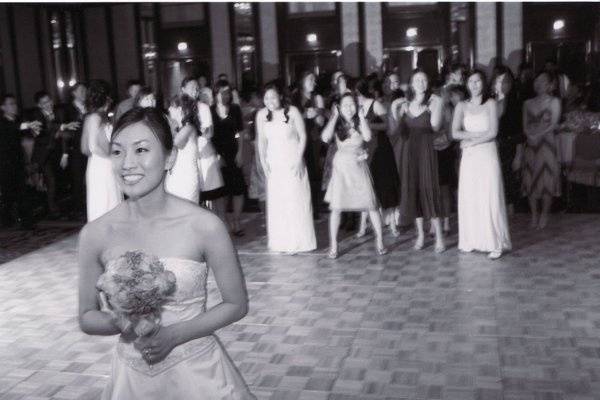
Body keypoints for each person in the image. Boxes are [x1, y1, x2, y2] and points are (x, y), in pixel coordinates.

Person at [78, 107, 256, 399]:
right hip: (131, 381)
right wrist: (122, 320)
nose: (127, 164)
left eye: (141, 150)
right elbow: (86, 315)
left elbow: (236, 304)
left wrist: (175, 335)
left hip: (199, 376)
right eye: (118, 152)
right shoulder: (95, 234)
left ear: (170, 156)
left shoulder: (205, 226)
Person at [452, 70, 512, 259]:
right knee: (470, 195)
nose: (474, 85)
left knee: (489, 195)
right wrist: (475, 137)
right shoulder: (461, 105)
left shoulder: (491, 103)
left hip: (487, 153)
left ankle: (495, 243)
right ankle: (471, 240)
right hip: (470, 156)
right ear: (466, 84)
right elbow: (455, 133)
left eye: (478, 81)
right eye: (471, 81)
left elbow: (493, 132)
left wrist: (471, 141)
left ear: (483, 83)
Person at [322, 93, 387, 259]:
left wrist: (362, 117)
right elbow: (325, 137)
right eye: (345, 105)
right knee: (336, 208)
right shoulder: (337, 123)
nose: (349, 108)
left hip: (358, 166)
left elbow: (367, 137)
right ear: (339, 107)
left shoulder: (360, 121)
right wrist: (334, 117)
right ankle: (334, 246)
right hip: (341, 168)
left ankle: (380, 241)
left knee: (371, 205)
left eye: (352, 105)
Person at [256, 82, 317, 253]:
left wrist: (299, 159)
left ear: (280, 96)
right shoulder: (261, 115)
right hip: (274, 163)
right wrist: (262, 161)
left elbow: (303, 136)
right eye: (266, 98)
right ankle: (281, 242)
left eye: (273, 97)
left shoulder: (293, 112)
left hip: (292, 161)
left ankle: (298, 242)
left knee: (295, 200)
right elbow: (261, 140)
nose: (269, 101)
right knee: (279, 202)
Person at [395, 69, 445, 253]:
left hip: (426, 151)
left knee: (429, 190)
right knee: (413, 191)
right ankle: (421, 236)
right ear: (411, 83)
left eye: (424, 79)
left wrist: (436, 106)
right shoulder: (405, 104)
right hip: (409, 152)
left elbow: (436, 126)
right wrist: (397, 111)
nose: (421, 82)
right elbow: (400, 132)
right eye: (417, 79)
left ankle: (439, 236)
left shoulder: (435, 101)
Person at [355, 79, 400, 237]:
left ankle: (393, 225)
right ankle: (362, 226)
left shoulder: (375, 105)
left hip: (380, 149)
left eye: (356, 95)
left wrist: (367, 124)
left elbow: (386, 126)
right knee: (366, 187)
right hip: (365, 149)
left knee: (385, 185)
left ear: (360, 93)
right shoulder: (355, 108)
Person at [522, 71, 562, 229]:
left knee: (546, 181)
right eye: (536, 81)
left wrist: (538, 134)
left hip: (547, 144)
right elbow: (524, 125)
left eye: (543, 81)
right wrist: (530, 135)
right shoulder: (527, 103)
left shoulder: (554, 101)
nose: (538, 84)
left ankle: (544, 214)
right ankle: (534, 215)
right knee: (530, 180)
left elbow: (554, 123)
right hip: (531, 144)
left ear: (550, 85)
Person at [181, 77, 226, 216]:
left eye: (197, 88)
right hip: (186, 156)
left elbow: (209, 132)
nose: (195, 90)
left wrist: (198, 131)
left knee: (213, 194)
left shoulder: (204, 107)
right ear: (183, 89)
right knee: (192, 195)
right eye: (191, 87)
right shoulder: (178, 108)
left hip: (204, 154)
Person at [81, 80, 122, 222]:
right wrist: (111, 159)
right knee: (103, 201)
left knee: (112, 198)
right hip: (101, 165)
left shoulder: (102, 117)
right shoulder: (94, 118)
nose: (111, 100)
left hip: (103, 163)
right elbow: (91, 147)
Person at [29, 91, 73, 219]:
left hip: (57, 153)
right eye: (44, 102)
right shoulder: (36, 115)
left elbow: (65, 135)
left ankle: (51, 206)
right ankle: (53, 211)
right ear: (39, 105)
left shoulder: (59, 112)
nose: (48, 104)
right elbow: (46, 128)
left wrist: (65, 154)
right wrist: (60, 128)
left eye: (49, 101)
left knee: (57, 181)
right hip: (43, 155)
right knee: (51, 181)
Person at [211, 80, 246, 236]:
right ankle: (224, 221)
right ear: (216, 93)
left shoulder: (235, 109)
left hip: (233, 151)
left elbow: (240, 133)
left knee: (238, 189)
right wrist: (216, 155)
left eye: (228, 92)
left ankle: (236, 221)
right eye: (222, 92)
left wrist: (240, 152)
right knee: (222, 191)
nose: (225, 95)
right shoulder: (210, 111)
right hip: (217, 153)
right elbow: (208, 137)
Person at [0, 94, 39, 229]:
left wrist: (32, 131)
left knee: (22, 192)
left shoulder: (17, 121)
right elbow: (13, 129)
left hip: (17, 163)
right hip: (5, 165)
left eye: (15, 104)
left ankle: (26, 222)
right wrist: (25, 126)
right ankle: (6, 221)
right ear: (3, 107)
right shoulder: (3, 123)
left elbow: (24, 138)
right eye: (10, 104)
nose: (14, 106)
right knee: (8, 195)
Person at [291, 71, 326, 220]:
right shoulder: (294, 97)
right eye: (310, 79)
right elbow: (290, 118)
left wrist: (318, 112)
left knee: (313, 173)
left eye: (314, 80)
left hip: (313, 139)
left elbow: (321, 122)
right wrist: (305, 115)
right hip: (296, 140)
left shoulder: (317, 98)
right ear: (302, 80)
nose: (314, 82)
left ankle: (314, 208)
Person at [492, 67, 524, 216]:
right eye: (499, 80)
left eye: (506, 81)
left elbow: (519, 131)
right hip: (491, 147)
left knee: (508, 182)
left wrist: (519, 154)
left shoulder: (515, 103)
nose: (502, 84)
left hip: (509, 147)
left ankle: (511, 219)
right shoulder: (488, 101)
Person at [164, 97, 200, 203]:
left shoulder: (188, 128)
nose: (169, 109)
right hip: (177, 175)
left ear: (180, 110)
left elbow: (176, 143)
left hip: (186, 177)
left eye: (172, 107)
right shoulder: (180, 128)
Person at [62, 82, 88, 219]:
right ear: (74, 93)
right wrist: (65, 153)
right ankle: (79, 209)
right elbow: (64, 133)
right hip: (75, 149)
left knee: (88, 178)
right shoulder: (67, 109)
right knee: (77, 179)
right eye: (81, 90)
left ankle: (88, 204)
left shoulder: (89, 107)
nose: (84, 93)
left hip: (88, 148)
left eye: (85, 90)